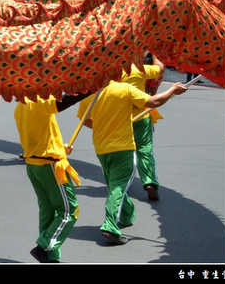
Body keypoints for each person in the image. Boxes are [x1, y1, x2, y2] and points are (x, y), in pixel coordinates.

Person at [78, 77, 187, 245]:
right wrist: (173, 90)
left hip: (101, 148)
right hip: (123, 148)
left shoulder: (90, 94)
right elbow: (154, 101)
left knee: (115, 184)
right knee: (118, 187)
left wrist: (104, 125)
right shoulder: (124, 89)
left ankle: (127, 214)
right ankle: (109, 224)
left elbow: (84, 119)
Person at [15, 91, 87, 263]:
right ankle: (45, 247)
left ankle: (51, 257)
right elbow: (65, 100)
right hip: (49, 167)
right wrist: (91, 88)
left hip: (34, 165)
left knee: (48, 211)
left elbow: (39, 136)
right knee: (69, 210)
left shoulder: (20, 106)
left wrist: (60, 148)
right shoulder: (38, 100)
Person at [122, 52, 165, 201]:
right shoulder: (139, 70)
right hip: (141, 116)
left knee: (124, 151)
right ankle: (149, 181)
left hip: (119, 119)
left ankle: (122, 182)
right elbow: (160, 68)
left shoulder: (113, 72)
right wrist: (155, 52)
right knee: (145, 150)